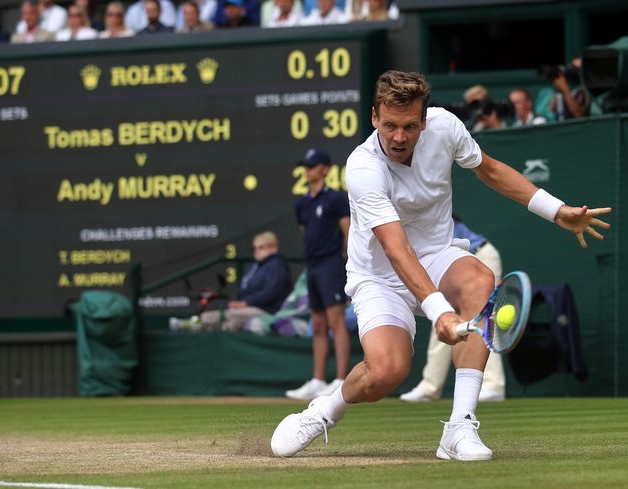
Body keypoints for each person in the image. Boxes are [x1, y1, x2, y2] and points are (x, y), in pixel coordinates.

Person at [271, 70, 611, 461]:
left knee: (481, 280)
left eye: (411, 126)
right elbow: (396, 248)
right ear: (374, 118)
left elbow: (491, 170)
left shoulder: (446, 127)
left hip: (437, 253)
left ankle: (459, 427)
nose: (400, 137)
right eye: (391, 126)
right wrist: (439, 312)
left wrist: (557, 211)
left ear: (425, 120)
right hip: (380, 275)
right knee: (387, 373)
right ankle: (324, 411)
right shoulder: (363, 168)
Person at [400, 215, 506, 403]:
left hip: (481, 258)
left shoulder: (431, 219)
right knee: (443, 318)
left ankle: (493, 384)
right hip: (456, 268)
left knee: (481, 318)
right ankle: (430, 387)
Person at [284, 148, 351, 402]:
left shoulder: (335, 199)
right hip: (312, 266)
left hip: (332, 264)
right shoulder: (301, 203)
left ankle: (341, 379)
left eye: (312, 166)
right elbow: (306, 233)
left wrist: (346, 262)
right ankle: (318, 379)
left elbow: (347, 231)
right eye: (306, 166)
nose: (308, 171)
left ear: (324, 169)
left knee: (336, 321)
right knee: (319, 323)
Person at [170, 231, 293, 332]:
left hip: (268, 311)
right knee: (231, 324)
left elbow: (271, 292)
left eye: (261, 248)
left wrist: (245, 303)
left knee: (225, 315)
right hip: (250, 309)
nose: (256, 251)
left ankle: (190, 323)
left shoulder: (277, 266)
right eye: (255, 248)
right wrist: (239, 303)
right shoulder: (256, 267)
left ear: (273, 248)